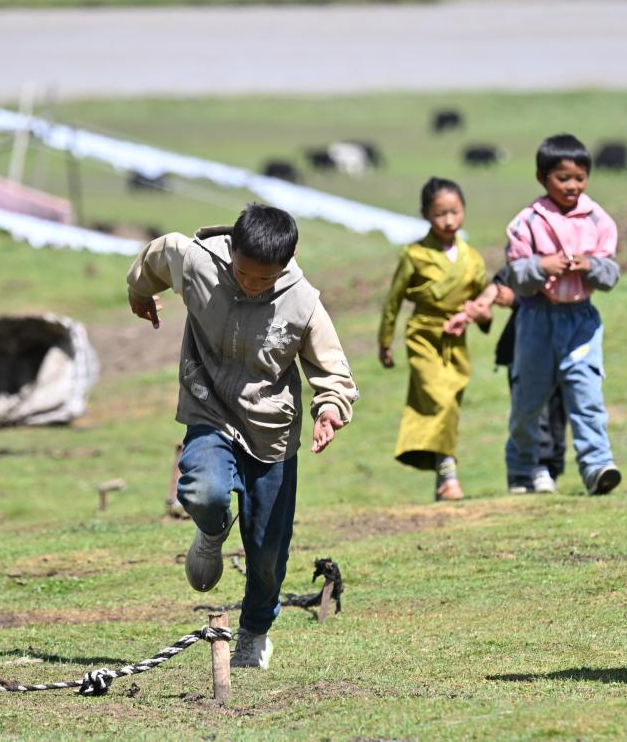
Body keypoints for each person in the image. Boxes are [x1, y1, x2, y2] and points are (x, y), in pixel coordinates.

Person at [126, 203, 358, 670]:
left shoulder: (302, 301)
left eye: (264, 279)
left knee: (268, 550)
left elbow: (333, 372)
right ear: (232, 251)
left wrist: (330, 408)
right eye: (245, 274)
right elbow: (157, 256)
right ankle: (211, 532)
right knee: (205, 490)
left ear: (286, 264)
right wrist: (139, 292)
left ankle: (255, 631)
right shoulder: (196, 261)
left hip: (271, 429)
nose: (252, 285)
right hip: (208, 407)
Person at [504, 133, 622, 496]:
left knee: (586, 394)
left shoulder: (599, 220)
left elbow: (610, 275)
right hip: (536, 319)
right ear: (542, 178)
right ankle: (523, 470)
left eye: (579, 177)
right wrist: (541, 266)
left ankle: (596, 466)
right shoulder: (526, 222)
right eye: (563, 178)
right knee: (529, 401)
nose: (572, 185)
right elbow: (516, 278)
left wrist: (590, 265)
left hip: (581, 321)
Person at [378, 177, 487, 501]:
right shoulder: (414, 254)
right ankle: (449, 474)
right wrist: (385, 342)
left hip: (456, 343)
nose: (449, 220)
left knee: (450, 403)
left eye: (455, 212)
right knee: (439, 397)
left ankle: (442, 472)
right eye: (440, 213)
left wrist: (479, 316)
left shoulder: (474, 259)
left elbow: (484, 305)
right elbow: (393, 301)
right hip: (423, 336)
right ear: (426, 215)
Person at [464, 269, 567, 492]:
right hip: (525, 344)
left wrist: (516, 299)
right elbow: (507, 275)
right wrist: (490, 298)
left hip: (563, 339)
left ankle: (548, 469)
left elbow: (561, 297)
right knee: (529, 412)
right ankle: (528, 470)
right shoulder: (526, 250)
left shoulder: (571, 248)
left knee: (557, 413)